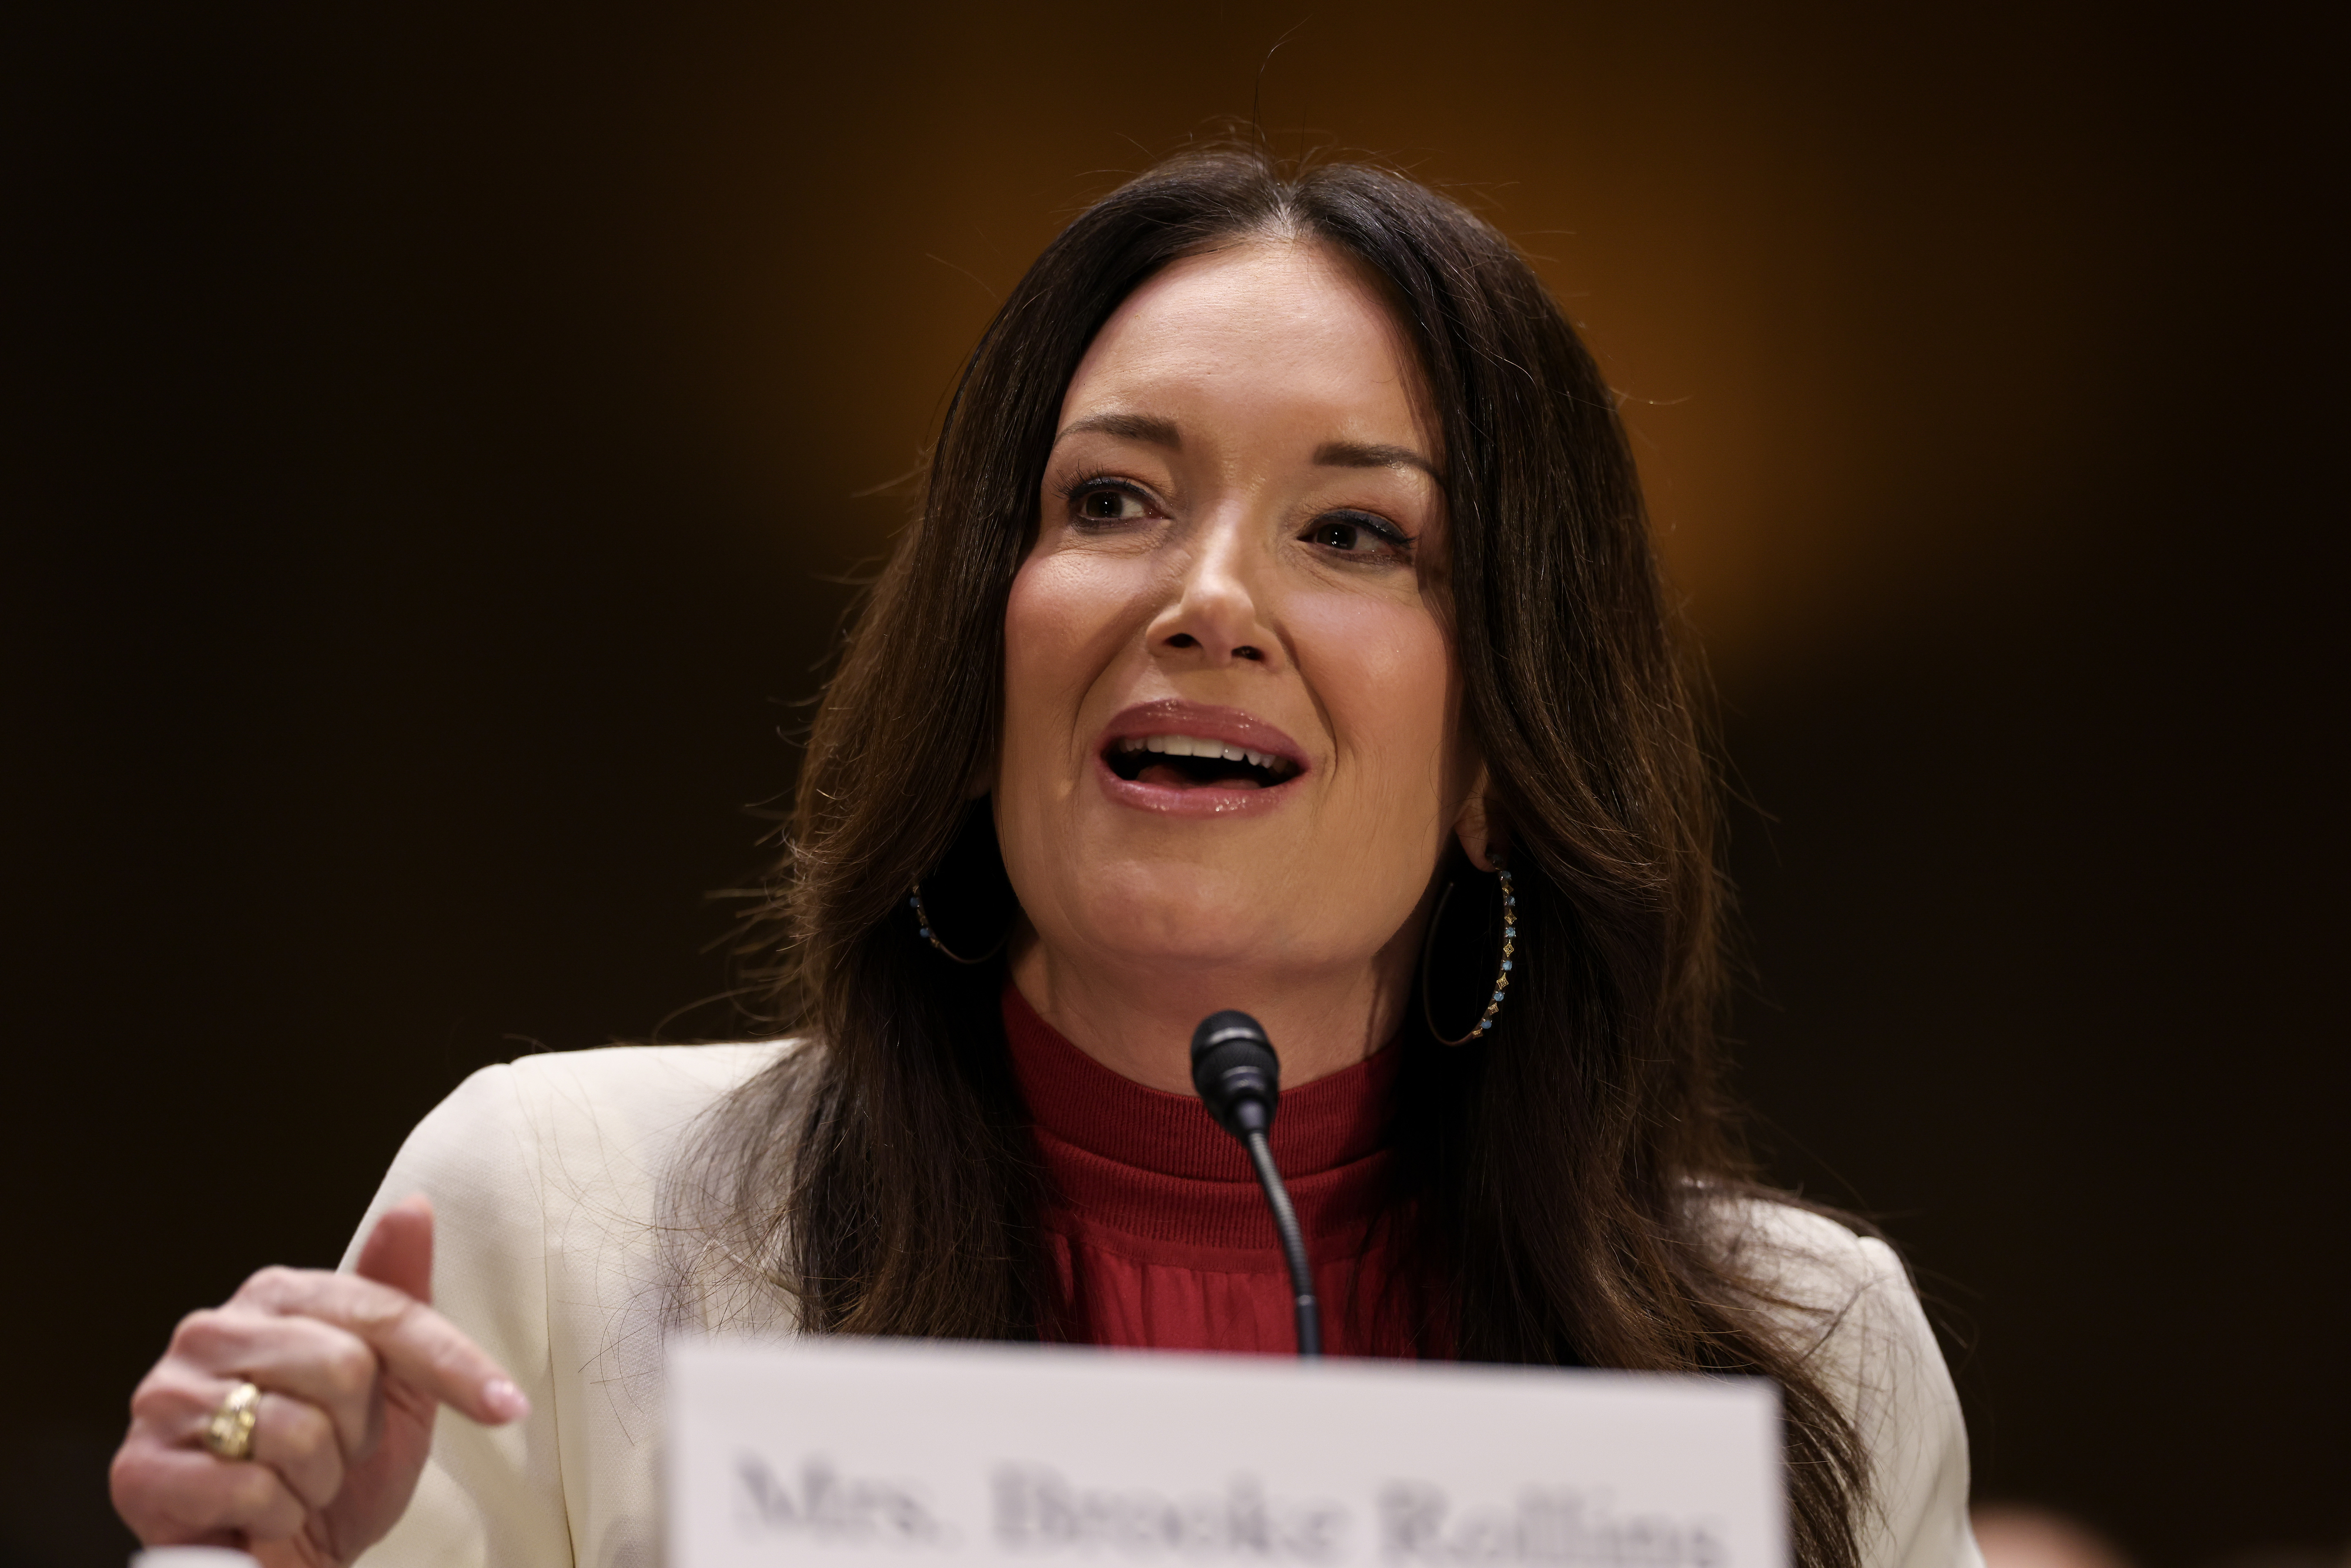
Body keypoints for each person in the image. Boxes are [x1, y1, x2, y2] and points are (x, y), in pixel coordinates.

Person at [109, 146, 1981, 1568]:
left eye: (1353, 532)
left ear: (1502, 753)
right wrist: (251, 1560)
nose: (1208, 596)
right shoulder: (570, 1219)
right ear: (986, 649)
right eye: (1112, 500)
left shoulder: (1805, 1361)